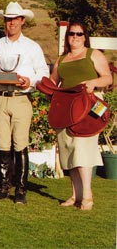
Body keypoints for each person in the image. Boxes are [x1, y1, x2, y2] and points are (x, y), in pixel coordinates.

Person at [0, 1, 49, 204]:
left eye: (14, 19)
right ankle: (3, 187)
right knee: (2, 144)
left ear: (22, 21)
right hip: (0, 98)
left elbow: (43, 73)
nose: (11, 23)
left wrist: (32, 82)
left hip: (21, 99)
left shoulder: (32, 47)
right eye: (8, 19)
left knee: (20, 144)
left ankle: (20, 190)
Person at [49, 21, 112, 210]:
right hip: (66, 108)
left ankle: (87, 195)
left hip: (88, 106)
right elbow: (54, 81)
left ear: (85, 37)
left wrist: (93, 81)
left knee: (83, 150)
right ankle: (75, 195)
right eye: (71, 34)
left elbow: (107, 77)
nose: (74, 37)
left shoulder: (94, 55)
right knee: (69, 150)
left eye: (79, 34)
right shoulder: (61, 59)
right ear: (67, 37)